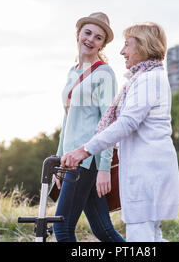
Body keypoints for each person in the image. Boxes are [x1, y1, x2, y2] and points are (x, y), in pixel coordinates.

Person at [61, 22, 179, 242]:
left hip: (147, 173)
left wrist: (85, 151)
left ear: (143, 46)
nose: (121, 51)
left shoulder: (148, 80)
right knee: (151, 238)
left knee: (141, 239)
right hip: (145, 172)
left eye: (127, 45)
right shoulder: (143, 78)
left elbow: (126, 123)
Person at [52, 12, 125, 242]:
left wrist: (104, 168)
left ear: (103, 44)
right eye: (88, 33)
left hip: (88, 161)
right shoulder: (73, 71)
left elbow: (109, 121)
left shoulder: (104, 73)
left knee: (61, 229)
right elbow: (67, 121)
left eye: (98, 37)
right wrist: (58, 161)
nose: (91, 39)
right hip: (71, 161)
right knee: (103, 230)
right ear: (78, 34)